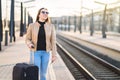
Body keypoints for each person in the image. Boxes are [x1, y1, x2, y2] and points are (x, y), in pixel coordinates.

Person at [25, 7, 57, 80]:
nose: (45, 14)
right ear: (39, 14)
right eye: (43, 12)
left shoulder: (51, 26)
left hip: (46, 53)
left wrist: (54, 55)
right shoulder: (32, 25)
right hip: (35, 52)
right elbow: (27, 39)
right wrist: (29, 44)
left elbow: (53, 41)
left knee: (43, 74)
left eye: (47, 12)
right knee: (35, 72)